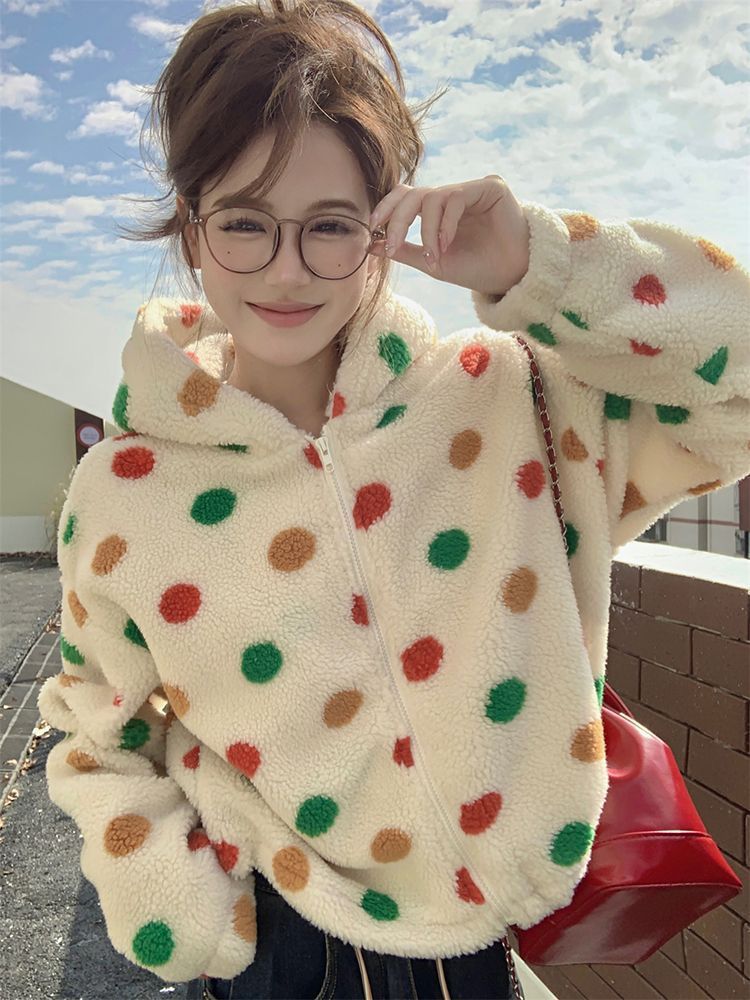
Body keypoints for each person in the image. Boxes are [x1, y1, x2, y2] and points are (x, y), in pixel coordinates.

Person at [37, 2, 750, 999]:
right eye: (243, 222)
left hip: (486, 948)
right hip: (284, 939)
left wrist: (537, 265)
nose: (287, 269)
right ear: (190, 229)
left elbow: (733, 387)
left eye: (331, 226)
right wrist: (175, 904)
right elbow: (95, 723)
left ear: (384, 228)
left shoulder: (505, 395)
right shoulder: (124, 491)